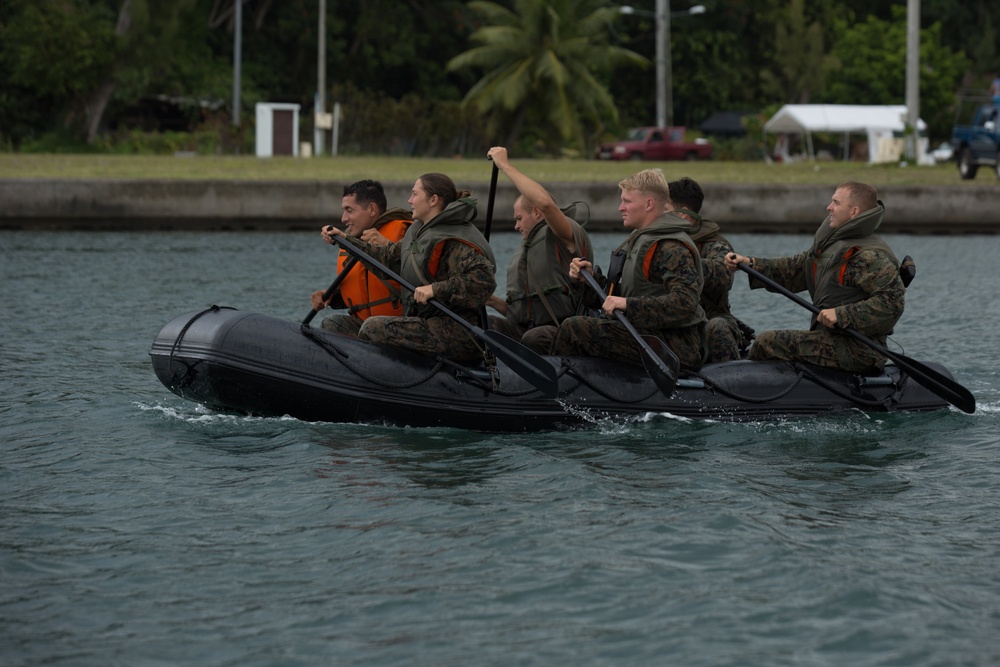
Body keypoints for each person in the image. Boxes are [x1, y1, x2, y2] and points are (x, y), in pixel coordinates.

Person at [724, 181, 904, 375]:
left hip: (859, 351)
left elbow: (892, 304)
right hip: (831, 340)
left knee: (767, 342)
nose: (829, 207)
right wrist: (750, 264)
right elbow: (797, 269)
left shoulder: (870, 256)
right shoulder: (834, 245)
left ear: (854, 212)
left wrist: (842, 315)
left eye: (836, 202)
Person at [321, 173, 496, 363]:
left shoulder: (453, 239)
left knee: (373, 328)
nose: (409, 200)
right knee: (334, 324)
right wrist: (345, 240)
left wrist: (435, 289)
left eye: (414, 194)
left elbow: (484, 281)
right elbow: (388, 258)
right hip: (425, 324)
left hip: (455, 333)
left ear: (433, 200)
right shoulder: (420, 232)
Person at [552, 168, 706, 370]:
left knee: (574, 329)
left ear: (648, 204)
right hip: (647, 333)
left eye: (627, 201)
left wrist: (627, 304)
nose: (620, 208)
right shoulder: (642, 238)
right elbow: (631, 294)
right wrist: (590, 279)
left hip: (673, 345)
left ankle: (553, 390)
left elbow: (684, 304)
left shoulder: (671, 247)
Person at [485, 146, 595, 354]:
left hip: (560, 331)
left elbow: (546, 204)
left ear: (536, 213)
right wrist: (491, 301)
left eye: (519, 218)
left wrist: (504, 165)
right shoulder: (526, 248)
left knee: (534, 338)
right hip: (526, 331)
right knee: (486, 326)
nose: (516, 226)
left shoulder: (562, 235)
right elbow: (521, 314)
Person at [311, 179, 412, 335]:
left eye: (349, 210)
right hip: (365, 325)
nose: (343, 218)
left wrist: (386, 245)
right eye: (343, 211)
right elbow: (362, 289)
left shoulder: (405, 234)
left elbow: (416, 280)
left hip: (401, 325)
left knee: (373, 326)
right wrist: (330, 296)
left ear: (372, 209)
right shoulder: (351, 243)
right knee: (332, 323)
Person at [667, 177, 751, 363]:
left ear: (683, 214)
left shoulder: (715, 244)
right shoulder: (659, 241)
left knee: (717, 326)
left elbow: (722, 276)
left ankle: (733, 381)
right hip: (671, 320)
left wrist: (682, 263)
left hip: (708, 321)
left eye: (665, 211)